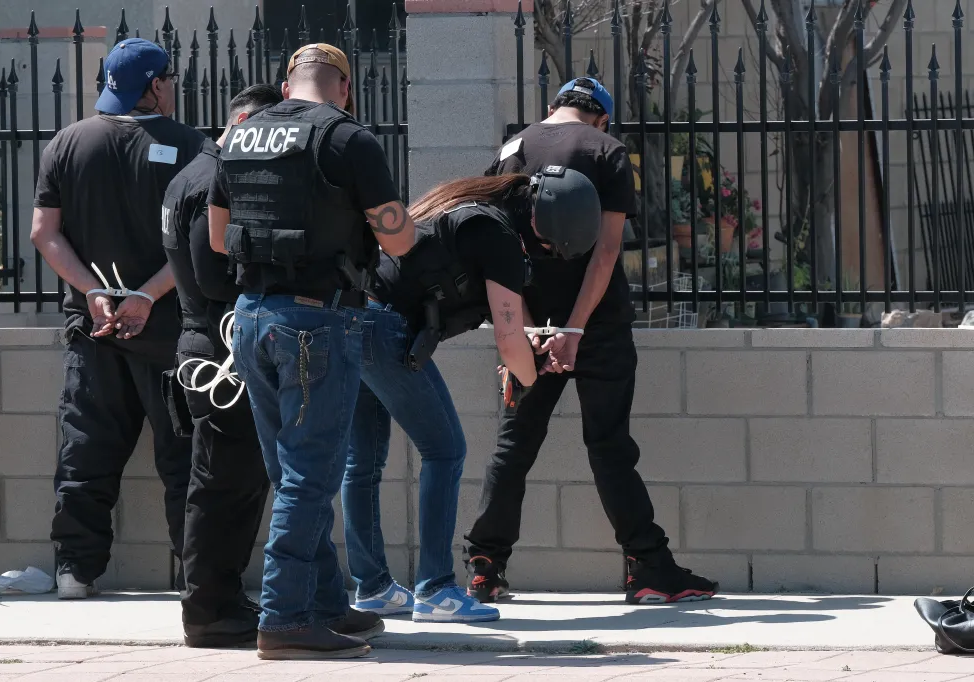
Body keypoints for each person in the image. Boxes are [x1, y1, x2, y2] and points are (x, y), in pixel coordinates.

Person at [463, 77, 719, 605]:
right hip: (597, 327)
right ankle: (648, 568)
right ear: (601, 117)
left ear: (553, 107)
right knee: (609, 446)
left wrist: (533, 329)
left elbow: (499, 252)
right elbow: (605, 255)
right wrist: (574, 331)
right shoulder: (607, 151)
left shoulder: (512, 150)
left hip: (530, 325)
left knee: (515, 445)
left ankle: (485, 567)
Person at [207, 43, 416, 660]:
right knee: (311, 474)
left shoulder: (242, 135)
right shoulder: (349, 140)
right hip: (316, 321)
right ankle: (285, 618)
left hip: (249, 319)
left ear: (286, 82)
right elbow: (397, 239)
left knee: (291, 472)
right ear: (344, 88)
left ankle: (324, 603)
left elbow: (220, 239)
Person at [343, 168, 601, 624]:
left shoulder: (464, 204)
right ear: (542, 223)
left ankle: (373, 587)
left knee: (361, 464)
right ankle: (437, 590)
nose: (543, 252)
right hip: (384, 331)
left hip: (354, 319)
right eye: (547, 246)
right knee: (445, 451)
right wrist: (532, 371)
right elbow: (508, 340)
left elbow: (508, 331)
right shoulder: (497, 234)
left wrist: (524, 351)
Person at [31, 38, 205, 599]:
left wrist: (93, 292)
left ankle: (74, 574)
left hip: (95, 328)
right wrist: (147, 295)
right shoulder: (192, 148)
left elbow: (43, 233)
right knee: (183, 455)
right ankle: (194, 575)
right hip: (170, 331)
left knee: (85, 448)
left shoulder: (68, 142)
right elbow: (200, 241)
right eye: (169, 79)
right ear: (155, 84)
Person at [161, 83, 283, 648]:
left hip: (204, 345)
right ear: (242, 122)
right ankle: (209, 609)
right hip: (219, 350)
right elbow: (213, 276)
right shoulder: (215, 177)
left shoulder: (192, 172)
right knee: (223, 486)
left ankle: (222, 600)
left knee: (229, 485)